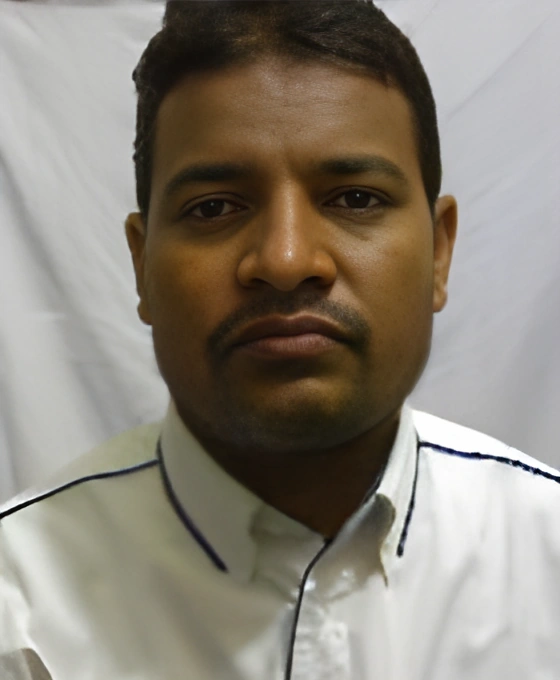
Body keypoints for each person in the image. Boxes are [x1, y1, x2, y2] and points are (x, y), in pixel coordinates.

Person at [1, 1, 559, 678]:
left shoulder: (547, 558)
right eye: (214, 207)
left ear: (439, 253)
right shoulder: (17, 606)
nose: (287, 259)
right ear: (141, 265)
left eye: (354, 198)